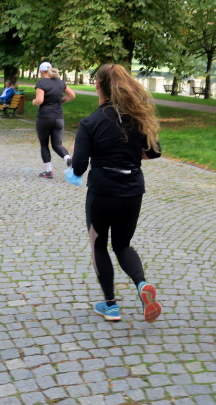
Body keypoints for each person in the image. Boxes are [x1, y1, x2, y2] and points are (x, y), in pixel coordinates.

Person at [68, 63, 162, 323]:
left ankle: (110, 305)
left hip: (102, 191)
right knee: (122, 245)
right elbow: (154, 152)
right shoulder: (138, 117)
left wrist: (75, 159)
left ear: (97, 85)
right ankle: (141, 284)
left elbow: (79, 167)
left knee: (99, 244)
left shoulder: (90, 122)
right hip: (132, 191)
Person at [32, 62, 75, 178]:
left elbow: (39, 100)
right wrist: (59, 101)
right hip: (58, 118)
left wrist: (34, 102)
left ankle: (48, 171)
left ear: (41, 71)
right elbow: (72, 95)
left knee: (44, 144)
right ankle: (68, 159)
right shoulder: (60, 83)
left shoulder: (41, 83)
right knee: (57, 144)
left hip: (45, 117)